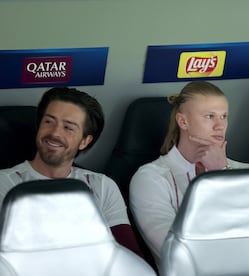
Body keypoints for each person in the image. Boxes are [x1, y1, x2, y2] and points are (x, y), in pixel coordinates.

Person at [0, 87, 143, 257]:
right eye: (49, 122)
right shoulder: (5, 183)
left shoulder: (102, 186)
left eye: (68, 127)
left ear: (84, 141)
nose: (54, 133)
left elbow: (130, 256)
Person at [129, 80, 249, 266]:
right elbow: (176, 252)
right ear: (183, 121)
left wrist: (222, 172)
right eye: (209, 116)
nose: (219, 125)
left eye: (224, 116)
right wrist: (218, 176)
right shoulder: (151, 178)